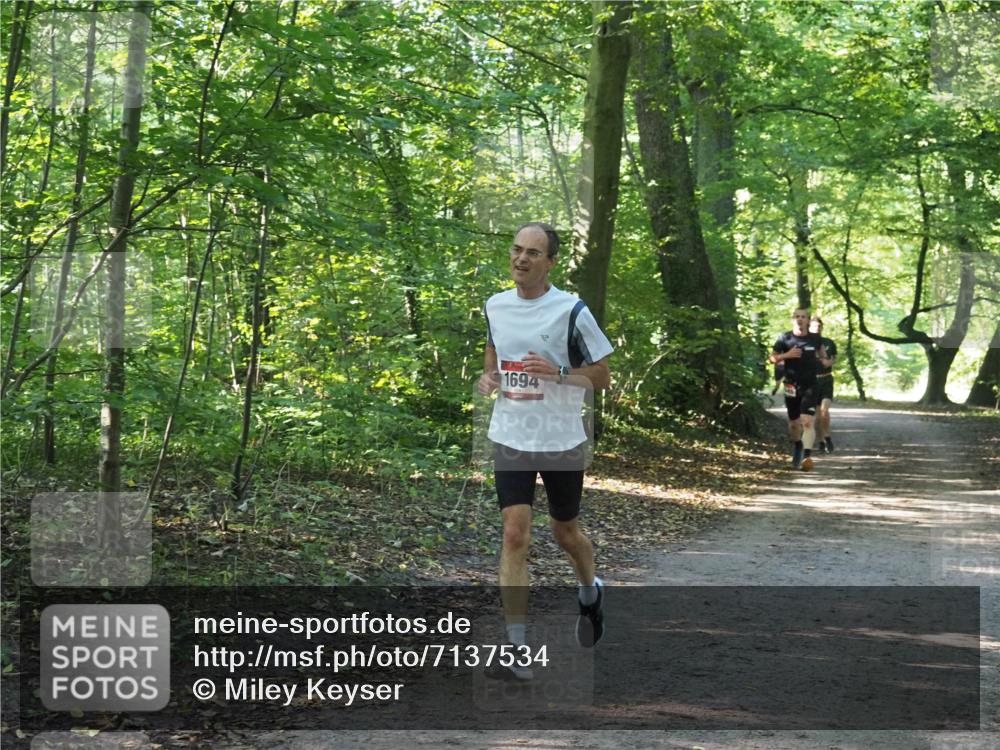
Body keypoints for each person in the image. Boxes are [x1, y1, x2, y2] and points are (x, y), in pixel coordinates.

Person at [477, 221, 613, 680]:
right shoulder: (495, 305)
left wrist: (557, 372)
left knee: (565, 533)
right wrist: (488, 377)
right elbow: (494, 352)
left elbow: (601, 377)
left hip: (559, 440)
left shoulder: (572, 311)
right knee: (515, 534)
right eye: (516, 250)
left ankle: (590, 591)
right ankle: (516, 650)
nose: (521, 259)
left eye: (533, 253)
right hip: (511, 434)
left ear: (550, 261)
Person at [769, 308, 830, 471]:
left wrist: (825, 361)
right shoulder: (784, 337)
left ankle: (807, 456)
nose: (800, 319)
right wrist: (786, 355)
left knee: (807, 421)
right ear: (792, 319)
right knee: (794, 424)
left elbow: (824, 356)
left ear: (808, 321)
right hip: (790, 385)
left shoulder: (815, 339)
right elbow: (772, 358)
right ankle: (797, 445)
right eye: (797, 316)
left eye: (803, 317)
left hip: (810, 385)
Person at [809, 315, 837, 453]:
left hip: (826, 379)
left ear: (822, 328)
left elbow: (834, 358)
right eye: (814, 326)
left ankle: (828, 437)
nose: (817, 328)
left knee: (825, 411)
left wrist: (830, 362)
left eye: (819, 326)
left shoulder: (829, 342)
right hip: (812, 381)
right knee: (818, 416)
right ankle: (821, 441)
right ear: (809, 327)